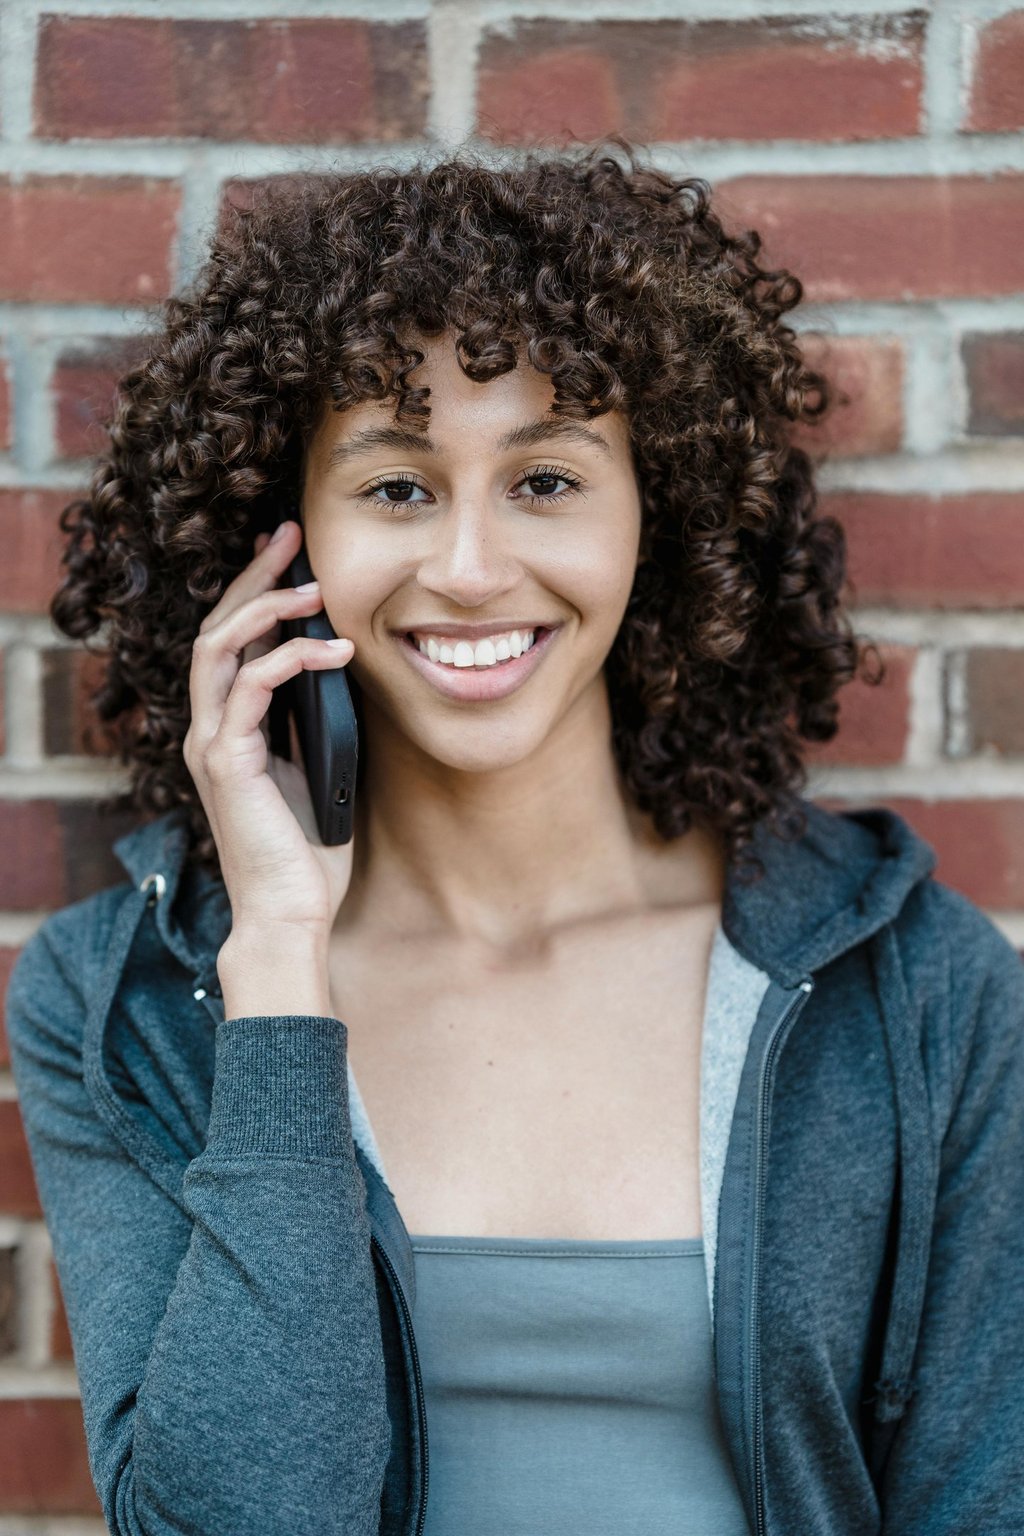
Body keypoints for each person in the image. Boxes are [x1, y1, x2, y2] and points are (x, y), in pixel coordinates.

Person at [6, 136, 1024, 1536]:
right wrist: (282, 973)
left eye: (546, 480)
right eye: (397, 486)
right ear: (284, 548)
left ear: (649, 520)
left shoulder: (914, 988)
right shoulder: (120, 996)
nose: (473, 570)